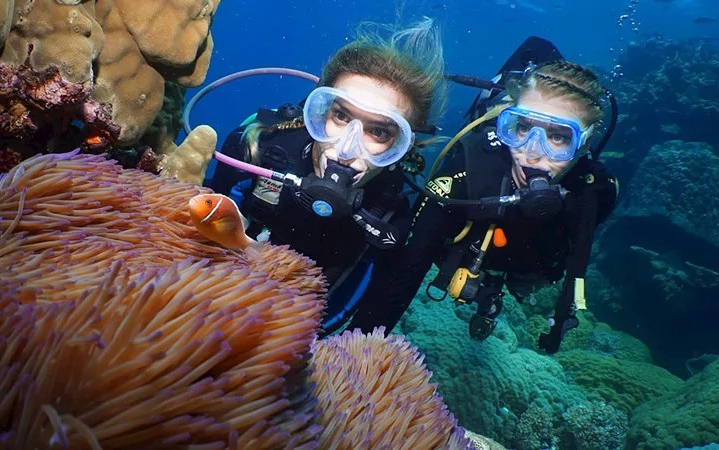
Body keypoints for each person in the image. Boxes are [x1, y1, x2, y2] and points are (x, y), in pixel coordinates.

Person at [347, 42, 619, 354]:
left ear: (584, 144)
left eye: (558, 137)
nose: (532, 152)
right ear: (507, 121)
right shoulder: (466, 170)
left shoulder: (596, 191)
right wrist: (355, 354)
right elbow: (406, 271)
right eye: (522, 127)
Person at [205, 18, 446, 334]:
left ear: (402, 146)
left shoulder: (391, 218)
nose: (347, 150)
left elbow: (357, 319)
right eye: (341, 115)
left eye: (378, 131)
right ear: (319, 112)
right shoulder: (255, 149)